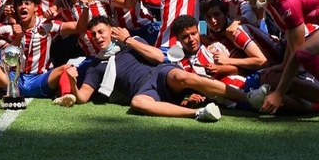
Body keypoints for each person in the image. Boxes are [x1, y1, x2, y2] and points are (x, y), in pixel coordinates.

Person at [67, 16, 249, 121]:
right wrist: (72, 83)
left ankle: (248, 97)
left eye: (102, 31)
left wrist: (128, 40)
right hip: (144, 90)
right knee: (137, 104)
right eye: (94, 34)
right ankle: (199, 113)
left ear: (112, 31)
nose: (98, 37)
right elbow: (82, 97)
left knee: (182, 77)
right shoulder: (95, 66)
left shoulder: (133, 42)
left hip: (160, 73)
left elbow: (159, 57)